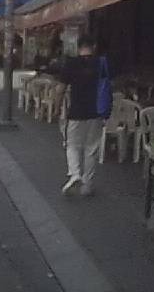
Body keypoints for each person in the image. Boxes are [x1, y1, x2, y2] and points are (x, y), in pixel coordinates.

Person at [58, 35, 107, 197]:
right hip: (96, 112)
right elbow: (107, 86)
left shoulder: (71, 63)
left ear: (78, 47)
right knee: (91, 149)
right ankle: (87, 185)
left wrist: (57, 108)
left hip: (76, 112)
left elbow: (60, 89)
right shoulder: (101, 63)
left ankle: (75, 174)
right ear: (94, 46)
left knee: (72, 145)